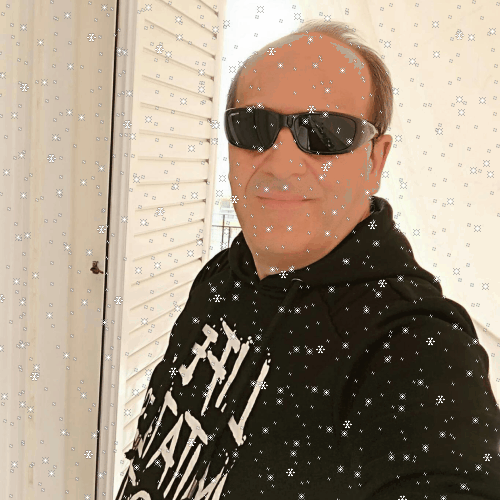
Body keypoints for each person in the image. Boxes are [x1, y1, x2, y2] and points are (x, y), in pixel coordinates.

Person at [115, 20, 500, 500]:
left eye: (324, 131)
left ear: (375, 160)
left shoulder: (414, 347)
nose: (280, 163)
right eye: (253, 126)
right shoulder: (221, 276)